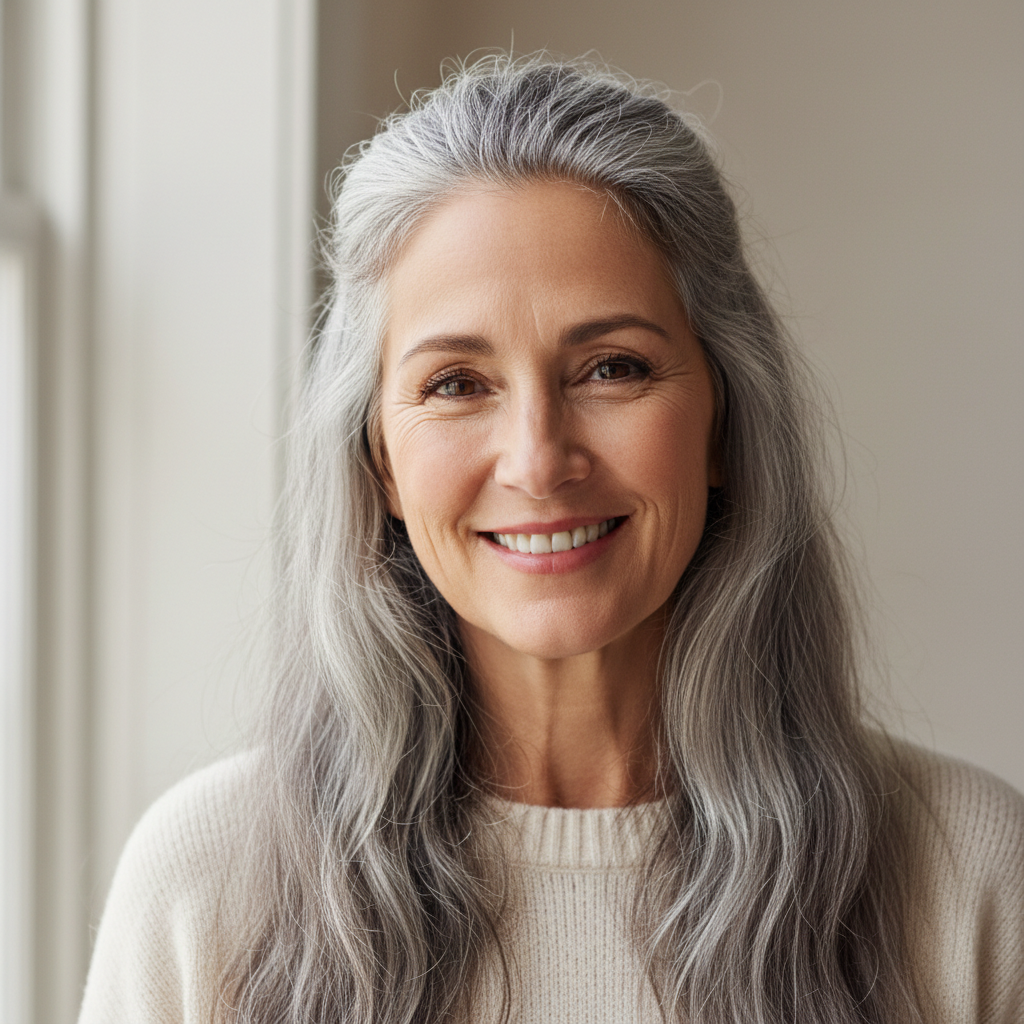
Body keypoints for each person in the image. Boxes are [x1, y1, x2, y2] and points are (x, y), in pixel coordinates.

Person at [78, 55, 1023, 1024]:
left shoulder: (967, 874)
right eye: (456, 382)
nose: (537, 459)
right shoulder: (210, 881)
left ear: (725, 423)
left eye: (611, 367)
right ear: (381, 461)